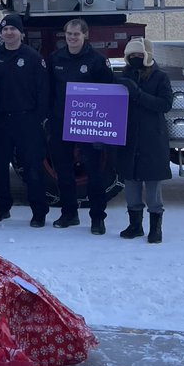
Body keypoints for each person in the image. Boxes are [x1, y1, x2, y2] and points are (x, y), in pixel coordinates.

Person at [0, 14, 51, 226]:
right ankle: (2, 207)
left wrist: (39, 119)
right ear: (1, 33)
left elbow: (44, 91)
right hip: (1, 121)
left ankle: (39, 211)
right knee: (0, 166)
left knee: (32, 168)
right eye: (5, 29)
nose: (9, 33)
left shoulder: (32, 57)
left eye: (13, 29)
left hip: (27, 120)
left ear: (21, 33)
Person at [47, 17, 115, 233]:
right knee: (63, 171)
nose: (72, 38)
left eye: (76, 34)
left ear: (85, 35)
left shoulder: (97, 60)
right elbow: (48, 90)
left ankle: (97, 218)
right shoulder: (55, 58)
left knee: (95, 173)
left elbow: (108, 92)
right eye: (69, 34)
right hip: (61, 121)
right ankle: (69, 213)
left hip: (89, 124)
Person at [115, 37, 174, 244]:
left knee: (152, 189)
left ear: (147, 55)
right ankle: (135, 225)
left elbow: (165, 104)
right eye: (131, 56)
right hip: (130, 139)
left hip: (152, 139)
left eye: (139, 55)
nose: (136, 58)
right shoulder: (123, 76)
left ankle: (155, 227)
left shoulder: (160, 77)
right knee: (131, 186)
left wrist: (138, 94)